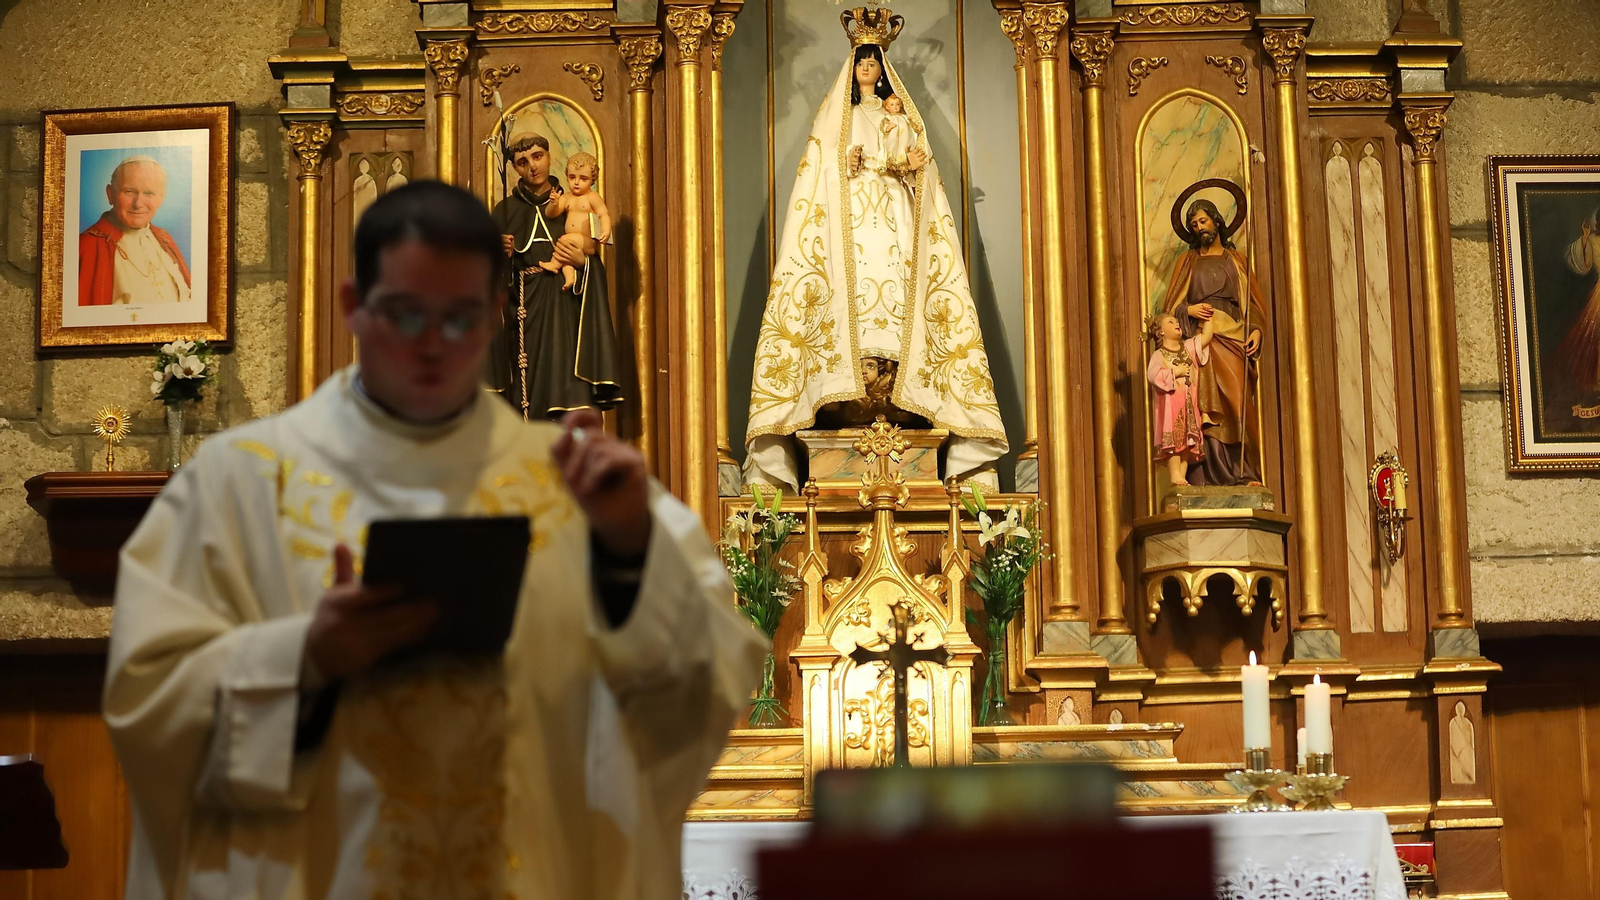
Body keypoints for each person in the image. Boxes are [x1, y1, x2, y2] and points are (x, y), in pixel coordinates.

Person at [103, 180, 765, 900]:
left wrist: (628, 554)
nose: (431, 345)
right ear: (354, 306)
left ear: (494, 317)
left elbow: (706, 683)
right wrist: (303, 658)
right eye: (405, 314)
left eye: (460, 319)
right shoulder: (236, 484)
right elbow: (147, 696)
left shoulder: (578, 488)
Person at [744, 19, 1007, 491]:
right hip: (851, 229)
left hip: (894, 221)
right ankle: (843, 383)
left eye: (873, 63)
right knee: (852, 293)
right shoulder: (833, 119)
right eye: (862, 62)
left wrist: (905, 164)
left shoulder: (900, 115)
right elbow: (823, 176)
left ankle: (907, 390)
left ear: (882, 70)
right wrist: (850, 163)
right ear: (854, 69)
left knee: (901, 289)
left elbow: (917, 167)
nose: (867, 68)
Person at [490, 129, 624, 418]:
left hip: (567, 315)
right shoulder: (504, 212)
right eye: (523, 161)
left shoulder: (577, 202)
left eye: (537, 157)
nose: (532, 166)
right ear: (515, 168)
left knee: (570, 402)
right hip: (524, 317)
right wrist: (500, 258)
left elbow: (596, 261)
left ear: (550, 158)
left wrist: (582, 262)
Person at [1159, 197, 1268, 487]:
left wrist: (1256, 329)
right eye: (1194, 224)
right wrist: (1189, 310)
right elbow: (1171, 309)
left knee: (1238, 402)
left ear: (1217, 221)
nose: (1199, 228)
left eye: (1203, 221)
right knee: (1202, 406)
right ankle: (1204, 474)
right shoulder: (1188, 262)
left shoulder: (1237, 260)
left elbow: (1252, 304)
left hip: (1233, 337)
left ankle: (1244, 472)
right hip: (1201, 341)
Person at [78, 154, 192, 307]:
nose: (138, 204)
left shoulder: (164, 239)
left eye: (149, 193)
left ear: (161, 197)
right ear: (110, 194)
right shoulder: (87, 245)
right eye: (129, 192)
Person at [1147, 312, 1214, 487]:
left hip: (1190, 405)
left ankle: (1181, 477)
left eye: (1177, 321)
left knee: (1187, 443)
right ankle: (1175, 475)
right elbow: (1152, 375)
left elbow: (1206, 336)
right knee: (1174, 442)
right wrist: (1175, 372)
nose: (1177, 323)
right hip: (1171, 406)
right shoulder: (1160, 355)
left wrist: (1209, 317)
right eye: (1171, 322)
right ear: (1161, 332)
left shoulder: (1188, 347)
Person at [540, 152, 611, 293]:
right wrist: (554, 203)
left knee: (565, 240)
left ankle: (554, 264)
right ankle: (570, 278)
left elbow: (603, 214)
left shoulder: (592, 197)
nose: (576, 182)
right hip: (573, 242)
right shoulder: (567, 197)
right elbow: (551, 214)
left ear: (592, 180)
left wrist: (606, 230)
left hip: (587, 241)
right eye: (572, 177)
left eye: (583, 179)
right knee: (567, 257)